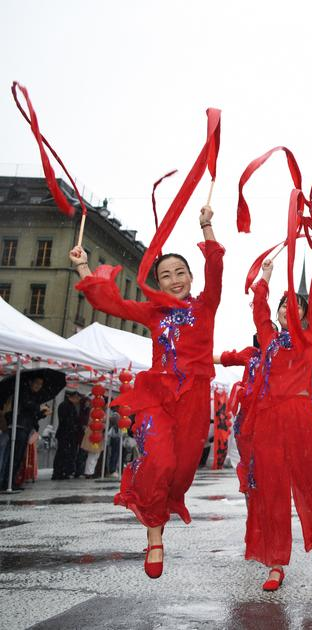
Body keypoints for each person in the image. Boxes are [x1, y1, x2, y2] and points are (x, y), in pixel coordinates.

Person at [68, 203, 223, 579]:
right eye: (165, 275)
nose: (174, 279)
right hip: (157, 396)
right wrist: (83, 266)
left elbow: (216, 269)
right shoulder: (153, 312)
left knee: (182, 471)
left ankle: (160, 515)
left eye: (180, 272)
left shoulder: (205, 305)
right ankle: (155, 537)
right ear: (157, 282)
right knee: (159, 462)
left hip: (194, 399)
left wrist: (207, 228)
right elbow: (110, 302)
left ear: (189, 277)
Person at [233, 251, 312, 591]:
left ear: (304, 313)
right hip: (268, 418)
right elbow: (259, 312)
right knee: (271, 491)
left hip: (299, 416)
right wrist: (265, 277)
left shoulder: (308, 337)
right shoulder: (269, 339)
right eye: (284, 305)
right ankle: (275, 563)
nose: (290, 309)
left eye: (296, 305)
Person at [2, 375, 52, 490]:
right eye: (36, 383)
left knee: (18, 457)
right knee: (14, 456)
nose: (38, 386)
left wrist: (43, 414)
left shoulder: (33, 396)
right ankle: (6, 482)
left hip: (26, 428)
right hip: (19, 427)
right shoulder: (23, 392)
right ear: (30, 382)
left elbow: (32, 416)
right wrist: (39, 407)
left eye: (40, 384)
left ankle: (11, 481)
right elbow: (26, 405)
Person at [52, 391, 82, 480]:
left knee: (65, 453)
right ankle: (58, 472)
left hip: (68, 434)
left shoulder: (71, 406)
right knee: (62, 453)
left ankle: (63, 471)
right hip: (65, 433)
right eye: (77, 398)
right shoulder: (65, 406)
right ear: (72, 397)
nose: (77, 400)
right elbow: (66, 420)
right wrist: (73, 426)